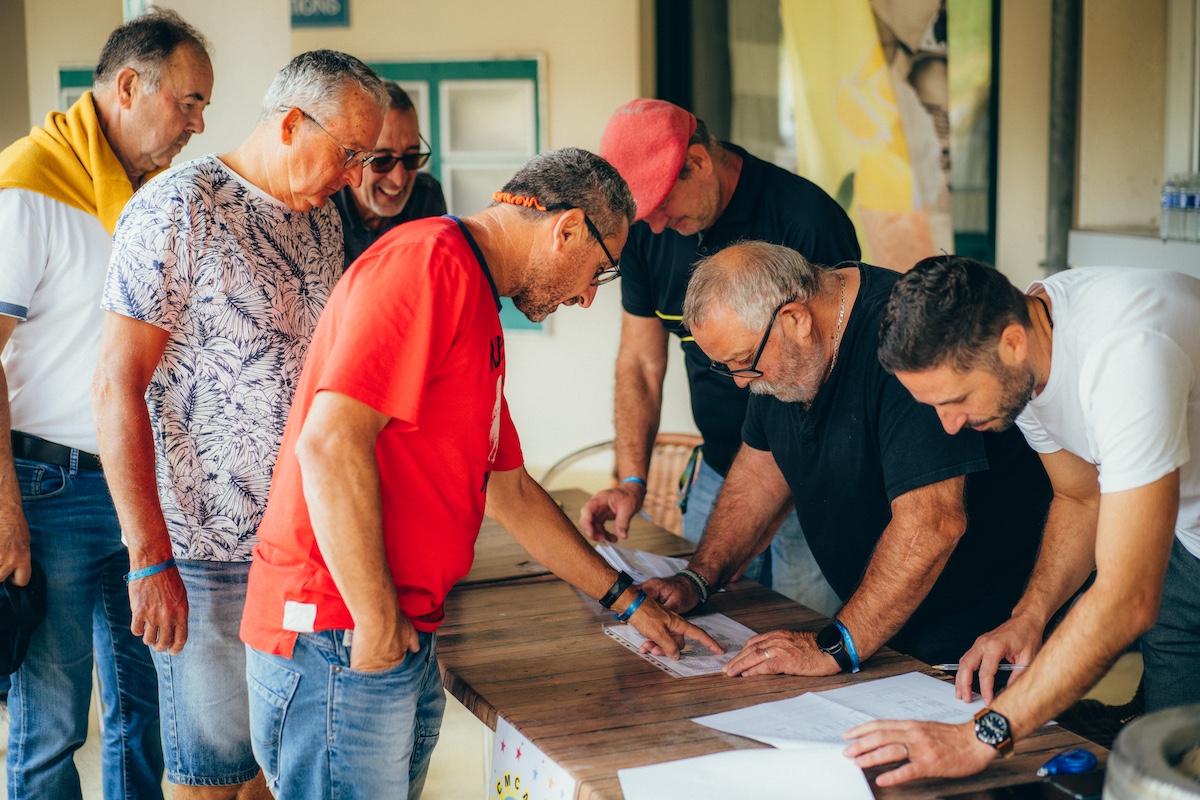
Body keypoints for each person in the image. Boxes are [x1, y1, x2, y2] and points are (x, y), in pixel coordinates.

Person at [239, 149, 723, 800]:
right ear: (568, 228)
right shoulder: (426, 265)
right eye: (599, 273)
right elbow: (328, 444)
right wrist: (377, 621)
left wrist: (627, 601)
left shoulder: (473, 299)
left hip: (397, 627)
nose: (585, 296)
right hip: (342, 627)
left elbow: (511, 490)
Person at [91, 50, 387, 800]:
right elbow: (115, 387)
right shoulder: (177, 208)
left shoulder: (318, 219)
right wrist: (149, 559)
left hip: (297, 547)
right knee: (206, 776)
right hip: (203, 556)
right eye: (349, 154)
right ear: (290, 123)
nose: (356, 177)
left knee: (274, 770)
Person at [846, 258, 1200, 785]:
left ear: (1012, 342)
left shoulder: (1125, 352)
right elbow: (1081, 497)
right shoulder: (1027, 346)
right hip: (1187, 545)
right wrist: (1030, 615)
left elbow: (1128, 600)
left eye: (957, 400)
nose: (950, 425)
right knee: (1167, 762)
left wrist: (978, 735)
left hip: (1167, 560)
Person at [642, 242, 1050, 676]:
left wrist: (835, 648)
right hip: (885, 631)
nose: (743, 383)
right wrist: (698, 578)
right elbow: (761, 473)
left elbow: (931, 525)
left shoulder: (905, 340)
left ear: (795, 319)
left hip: (984, 637)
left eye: (744, 363)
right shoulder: (779, 352)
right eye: (729, 368)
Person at [0, 10, 212, 797]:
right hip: (46, 490)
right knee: (51, 728)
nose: (198, 123)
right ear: (129, 86)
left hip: (139, 489)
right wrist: (4, 510)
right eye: (189, 102)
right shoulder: (28, 186)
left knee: (146, 717)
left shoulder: (157, 201)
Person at [580, 98, 860, 617]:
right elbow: (640, 365)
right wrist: (631, 479)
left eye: (662, 204)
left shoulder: (806, 220)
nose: (656, 226)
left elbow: (836, 378)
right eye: (644, 213)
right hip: (715, 476)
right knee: (705, 638)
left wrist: (767, 506)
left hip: (810, 483)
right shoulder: (646, 229)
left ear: (699, 162)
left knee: (807, 640)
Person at [330, 80, 447, 266]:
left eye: (411, 158)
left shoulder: (426, 197)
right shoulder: (321, 204)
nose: (399, 180)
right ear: (352, 157)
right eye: (383, 160)